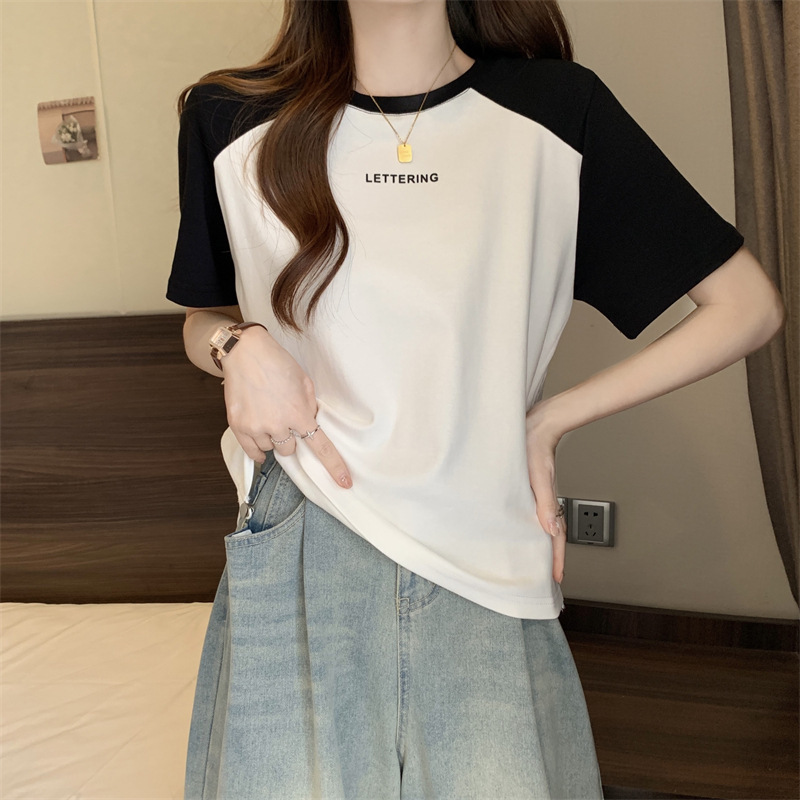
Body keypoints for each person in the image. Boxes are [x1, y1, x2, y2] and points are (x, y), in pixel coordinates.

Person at [166, 1, 785, 797]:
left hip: (484, 544)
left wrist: (551, 419)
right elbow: (201, 319)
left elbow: (748, 307)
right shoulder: (230, 117)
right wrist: (236, 346)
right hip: (304, 533)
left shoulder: (556, 113)